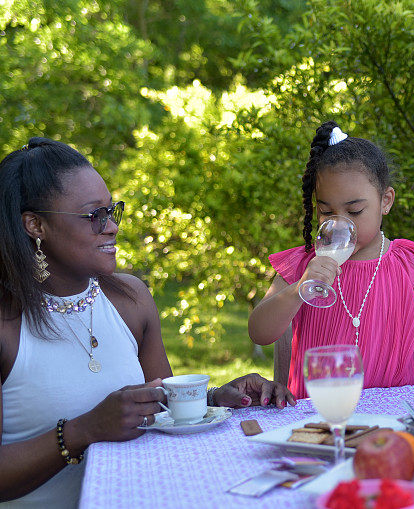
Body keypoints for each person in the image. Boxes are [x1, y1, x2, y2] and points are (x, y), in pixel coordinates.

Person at [0, 138, 296, 507]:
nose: (112, 228)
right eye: (94, 216)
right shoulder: (8, 323)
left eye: (111, 211)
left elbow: (161, 408)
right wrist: (82, 431)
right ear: (35, 225)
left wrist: (212, 400)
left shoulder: (130, 299)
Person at [248, 121, 414, 399]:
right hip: (319, 413)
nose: (340, 223)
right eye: (326, 212)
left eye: (354, 211)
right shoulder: (304, 265)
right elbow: (260, 332)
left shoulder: (410, 264)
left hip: (397, 410)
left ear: (385, 201)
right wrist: (299, 289)